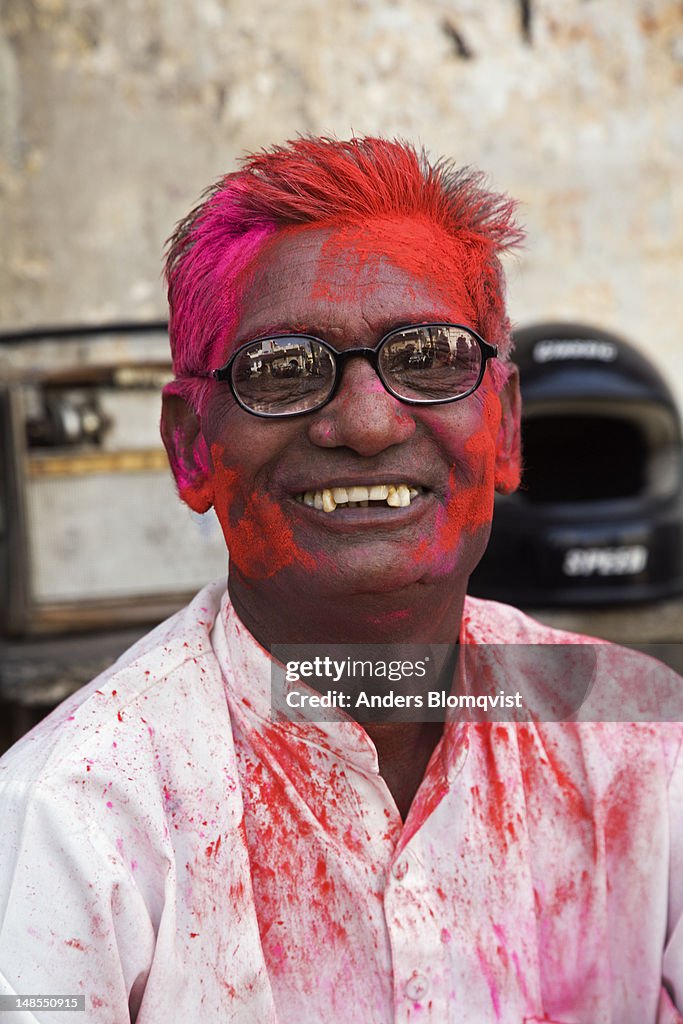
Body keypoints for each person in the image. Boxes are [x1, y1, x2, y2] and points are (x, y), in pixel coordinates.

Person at [0, 136, 681, 1023]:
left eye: (429, 357)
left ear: (506, 428)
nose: (365, 423)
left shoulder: (639, 749)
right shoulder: (71, 820)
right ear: (190, 446)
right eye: (283, 370)